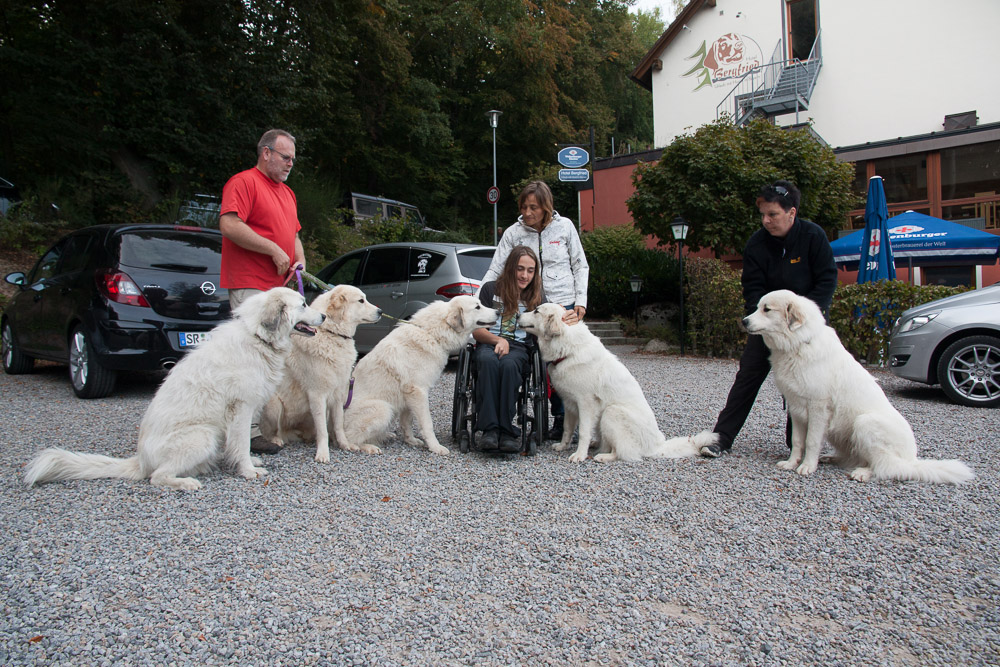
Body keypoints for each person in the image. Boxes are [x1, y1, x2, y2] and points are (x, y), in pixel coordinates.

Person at [699, 180, 838, 458]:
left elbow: (827, 279)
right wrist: (764, 321)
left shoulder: (813, 237)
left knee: (804, 384)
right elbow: (752, 289)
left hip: (806, 331)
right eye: (762, 214)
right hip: (768, 328)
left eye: (772, 214)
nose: (766, 220)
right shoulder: (756, 244)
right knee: (747, 378)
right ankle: (721, 437)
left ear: (791, 213)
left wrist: (805, 320)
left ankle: (797, 446)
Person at [219, 128, 306, 454]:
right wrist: (271, 247)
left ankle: (259, 428)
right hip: (250, 286)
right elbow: (229, 224)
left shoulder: (288, 193)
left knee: (271, 359)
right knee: (250, 359)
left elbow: (294, 233)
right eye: (285, 157)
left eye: (293, 160)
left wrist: (300, 258)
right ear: (266, 153)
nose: (290, 164)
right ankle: (245, 433)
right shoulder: (243, 182)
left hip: (278, 288)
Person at [481, 181, 589, 441]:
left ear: (546, 207)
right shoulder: (513, 233)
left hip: (562, 304)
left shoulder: (565, 227)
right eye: (524, 207)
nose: (528, 213)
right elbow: (496, 269)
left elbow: (580, 265)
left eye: (534, 208)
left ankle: (565, 417)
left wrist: (581, 302)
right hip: (528, 301)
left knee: (568, 361)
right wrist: (476, 303)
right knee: (539, 359)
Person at [473, 246, 561, 452]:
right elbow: (477, 331)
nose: (524, 275)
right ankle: (490, 430)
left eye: (530, 270)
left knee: (510, 365)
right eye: (520, 268)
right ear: (511, 268)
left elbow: (547, 326)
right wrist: (497, 340)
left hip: (519, 349)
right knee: (487, 361)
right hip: (489, 342)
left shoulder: (536, 297)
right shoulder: (490, 290)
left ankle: (506, 429)